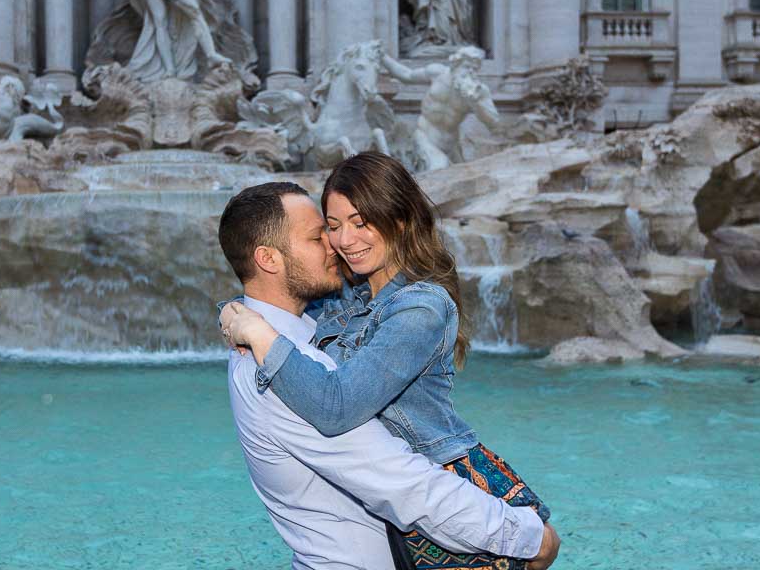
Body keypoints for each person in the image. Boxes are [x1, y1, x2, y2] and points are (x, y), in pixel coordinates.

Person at [221, 154, 554, 570]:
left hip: (453, 479)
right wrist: (237, 311)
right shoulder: (346, 302)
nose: (339, 242)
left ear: (397, 220)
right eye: (330, 227)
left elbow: (339, 406)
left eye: (361, 222)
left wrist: (253, 327)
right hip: (417, 515)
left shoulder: (417, 306)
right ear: (268, 258)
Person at [380, 47, 501, 170]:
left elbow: (494, 122)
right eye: (466, 66)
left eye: (474, 69)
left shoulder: (480, 91)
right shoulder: (437, 73)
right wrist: (383, 57)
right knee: (439, 166)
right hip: (425, 136)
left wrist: (476, 103)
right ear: (456, 64)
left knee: (466, 176)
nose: (470, 72)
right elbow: (407, 75)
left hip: (451, 145)